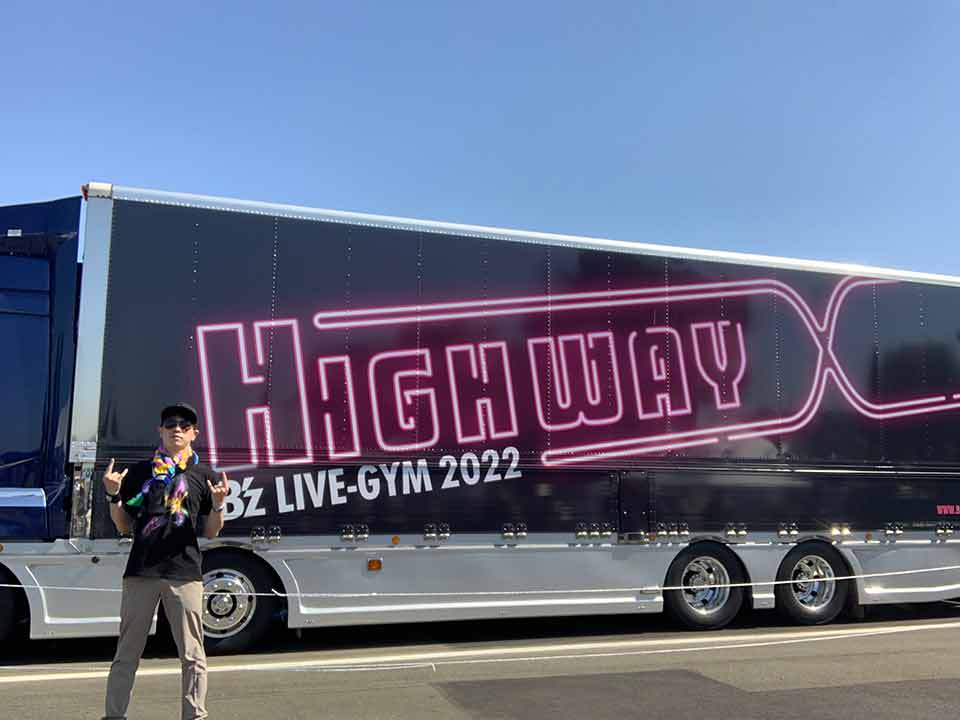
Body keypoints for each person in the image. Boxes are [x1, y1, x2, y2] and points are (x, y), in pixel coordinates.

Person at [101, 402, 228, 720]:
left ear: (194, 434)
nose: (177, 429)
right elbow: (124, 526)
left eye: (185, 426)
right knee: (127, 653)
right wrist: (113, 495)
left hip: (185, 573)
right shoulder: (140, 472)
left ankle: (194, 715)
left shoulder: (205, 475)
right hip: (141, 572)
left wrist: (218, 505)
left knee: (193, 654)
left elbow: (211, 532)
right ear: (160, 430)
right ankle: (114, 715)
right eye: (170, 424)